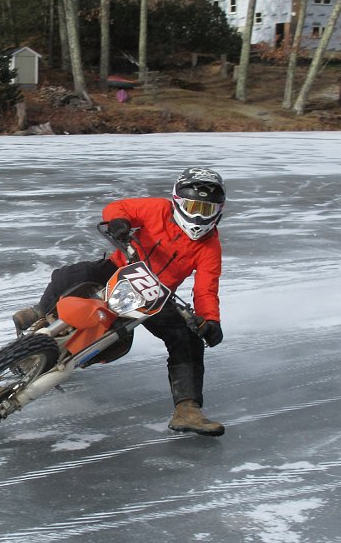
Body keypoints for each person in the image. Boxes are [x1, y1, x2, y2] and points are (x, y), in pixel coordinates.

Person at [12, 167, 227, 436]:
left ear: (218, 210)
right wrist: (118, 222)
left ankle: (188, 409)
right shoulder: (156, 209)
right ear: (177, 202)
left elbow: (206, 290)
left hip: (156, 296)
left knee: (187, 339)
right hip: (120, 265)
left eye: (206, 209)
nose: (198, 215)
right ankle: (40, 312)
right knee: (72, 274)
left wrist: (210, 321)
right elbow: (119, 207)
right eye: (193, 206)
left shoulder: (210, 248)